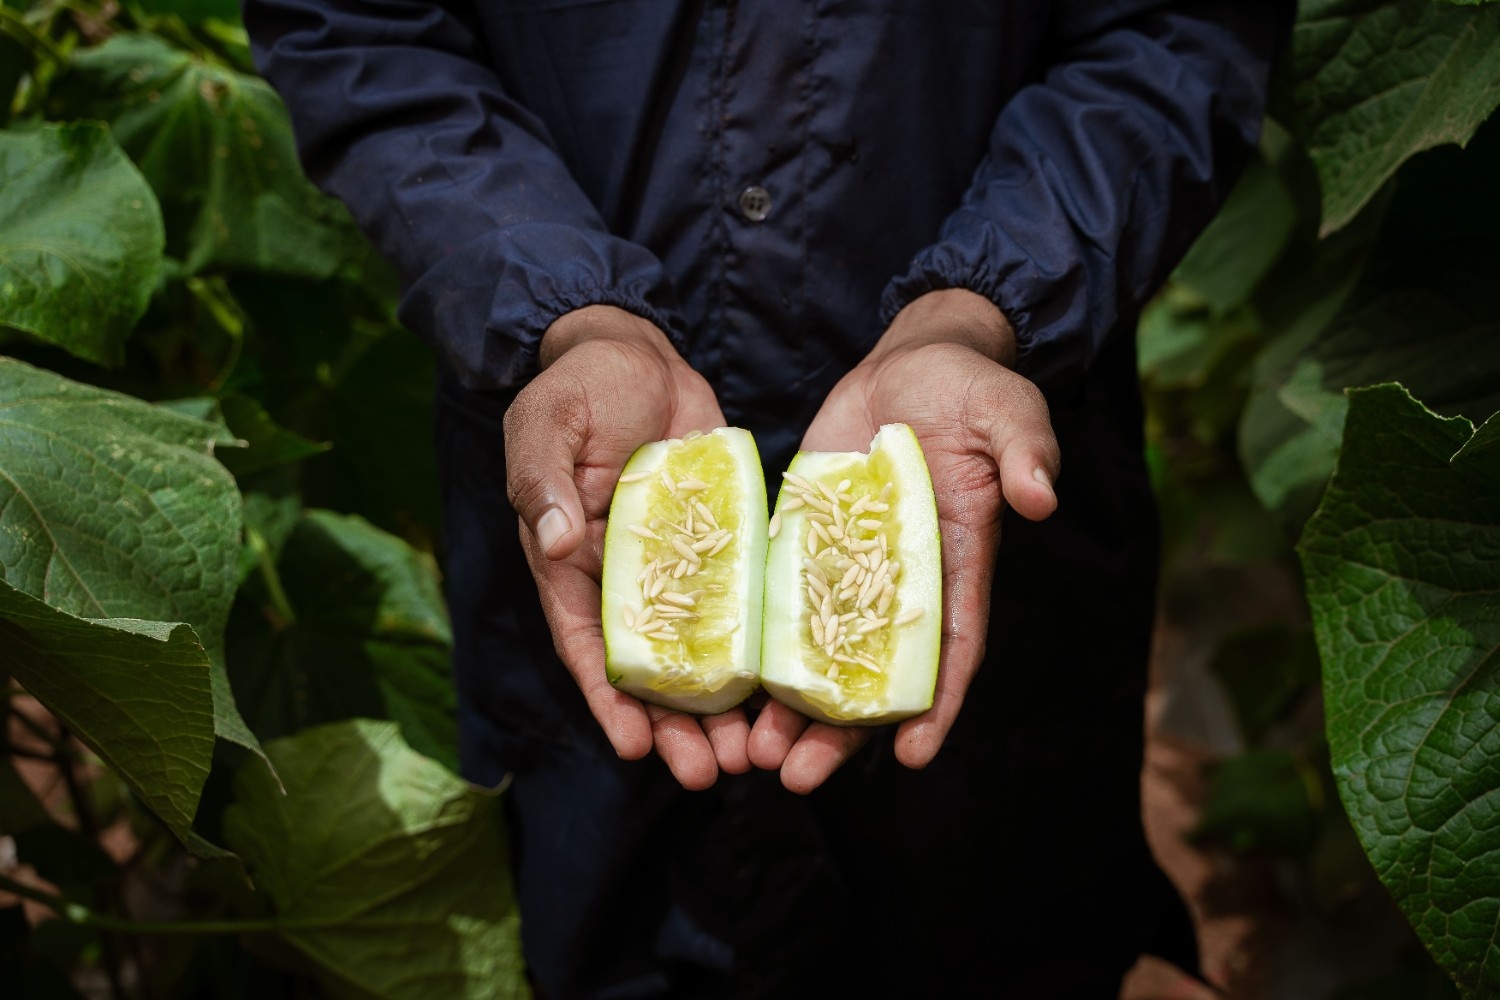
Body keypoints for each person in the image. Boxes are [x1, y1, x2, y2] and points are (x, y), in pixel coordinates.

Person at [246, 3, 1290, 995]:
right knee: (601, 933)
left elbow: (1178, 27)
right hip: (580, 498)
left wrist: (987, 303)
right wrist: (561, 310)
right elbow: (354, 24)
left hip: (999, 541)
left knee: (994, 935)